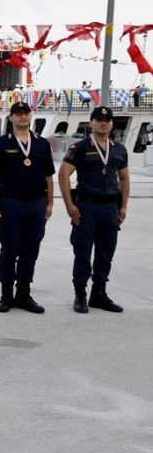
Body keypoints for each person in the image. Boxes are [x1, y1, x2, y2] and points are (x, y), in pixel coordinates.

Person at [0, 101, 55, 314]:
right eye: (18, 114)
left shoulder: (42, 144)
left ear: (31, 116)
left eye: (26, 113)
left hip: (36, 203)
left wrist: (50, 202)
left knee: (30, 250)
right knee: (9, 249)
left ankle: (23, 293)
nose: (23, 117)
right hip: (10, 203)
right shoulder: (0, 144)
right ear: (11, 118)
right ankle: (6, 295)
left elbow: (48, 176)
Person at [58, 106, 129, 313]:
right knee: (82, 252)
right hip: (87, 206)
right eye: (99, 120)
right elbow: (63, 175)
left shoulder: (119, 149)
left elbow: (124, 178)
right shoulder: (79, 148)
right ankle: (80, 294)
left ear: (112, 124)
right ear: (91, 123)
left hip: (110, 207)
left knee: (106, 253)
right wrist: (70, 205)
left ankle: (99, 293)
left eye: (107, 120)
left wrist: (123, 206)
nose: (103, 123)